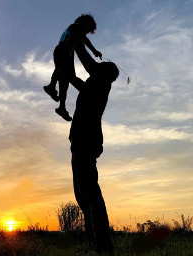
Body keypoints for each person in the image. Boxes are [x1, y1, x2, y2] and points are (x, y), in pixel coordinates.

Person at [69, 44, 119, 255]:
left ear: (103, 73)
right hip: (82, 142)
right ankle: (95, 245)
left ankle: (103, 247)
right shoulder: (95, 85)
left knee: (90, 194)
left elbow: (88, 65)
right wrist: (66, 69)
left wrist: (76, 42)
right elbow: (75, 80)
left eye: (99, 67)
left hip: (85, 142)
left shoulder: (100, 83)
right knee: (83, 196)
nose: (94, 69)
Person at [43, 13, 102, 121]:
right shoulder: (75, 26)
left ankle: (62, 107)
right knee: (61, 70)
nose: (88, 32)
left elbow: (84, 39)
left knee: (65, 80)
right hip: (61, 50)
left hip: (68, 54)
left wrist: (94, 51)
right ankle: (51, 86)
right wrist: (94, 51)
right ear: (85, 22)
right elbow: (84, 40)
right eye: (89, 29)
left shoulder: (78, 30)